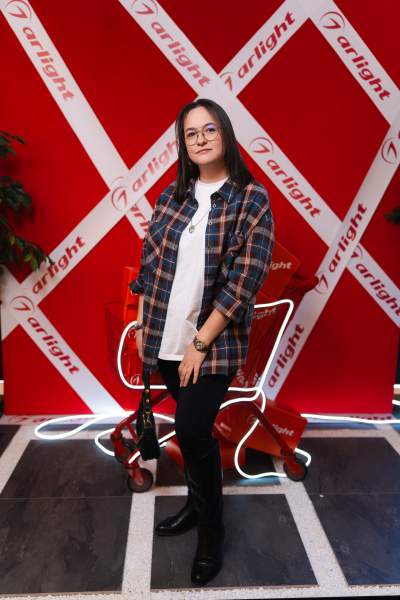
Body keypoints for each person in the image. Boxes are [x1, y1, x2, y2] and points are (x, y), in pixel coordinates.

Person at [129, 98, 275, 586]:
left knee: (193, 429)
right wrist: (144, 331)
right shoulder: (171, 198)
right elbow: (149, 266)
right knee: (190, 434)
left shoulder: (251, 199)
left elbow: (245, 280)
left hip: (213, 343)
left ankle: (212, 532)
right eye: (191, 134)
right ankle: (195, 505)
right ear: (184, 145)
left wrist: (200, 344)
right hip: (165, 336)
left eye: (209, 129)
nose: (201, 139)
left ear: (226, 134)